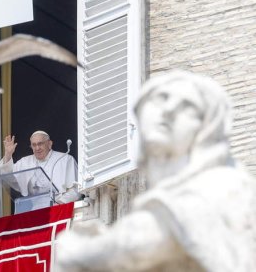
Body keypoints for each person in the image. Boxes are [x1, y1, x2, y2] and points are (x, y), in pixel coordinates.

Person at [55, 70, 256, 272]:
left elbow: (145, 240)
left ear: (208, 126)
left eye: (186, 106)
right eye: (161, 99)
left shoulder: (215, 184)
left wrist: (80, 248)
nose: (167, 111)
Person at [0, 130, 81, 204]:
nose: (37, 148)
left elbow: (76, 190)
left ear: (49, 144)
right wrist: (8, 155)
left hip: (60, 207)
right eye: (34, 145)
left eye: (40, 144)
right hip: (35, 209)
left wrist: (59, 204)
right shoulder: (25, 162)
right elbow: (9, 178)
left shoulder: (65, 159)